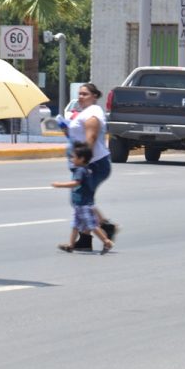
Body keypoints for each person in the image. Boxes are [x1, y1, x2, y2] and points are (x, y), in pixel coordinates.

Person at [65, 82, 118, 251]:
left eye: (85, 94)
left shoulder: (93, 113)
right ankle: (89, 236)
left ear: (95, 96)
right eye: (79, 94)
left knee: (81, 199)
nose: (81, 97)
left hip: (93, 163)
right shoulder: (84, 113)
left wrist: (83, 163)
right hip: (86, 163)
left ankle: (100, 231)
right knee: (82, 200)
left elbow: (91, 138)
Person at [53, 142, 115, 253]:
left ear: (81, 159)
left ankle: (107, 242)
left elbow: (75, 183)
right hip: (81, 204)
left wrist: (59, 185)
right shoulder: (87, 169)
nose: (71, 159)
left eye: (74, 157)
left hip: (84, 205)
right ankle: (71, 245)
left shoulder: (80, 170)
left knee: (92, 225)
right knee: (75, 225)